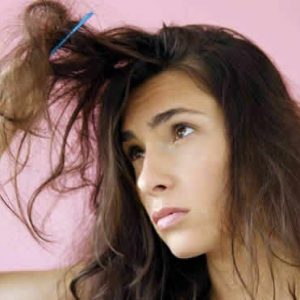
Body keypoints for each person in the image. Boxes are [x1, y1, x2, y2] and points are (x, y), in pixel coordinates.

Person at [0, 0, 299, 299]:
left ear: (261, 134)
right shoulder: (122, 291)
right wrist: (6, 116)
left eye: (181, 131)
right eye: (136, 152)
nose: (146, 180)